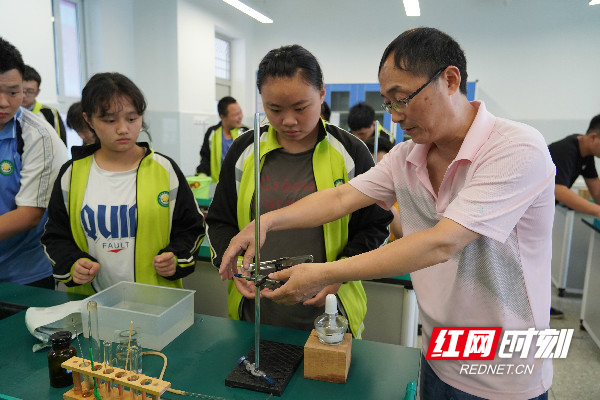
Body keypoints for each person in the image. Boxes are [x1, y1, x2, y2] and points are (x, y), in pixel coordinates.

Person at [220, 28, 555, 400]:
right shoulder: (406, 156)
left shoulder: (515, 148)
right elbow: (340, 198)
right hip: (438, 354)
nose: (395, 117)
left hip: (505, 370)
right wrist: (266, 222)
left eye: (402, 99)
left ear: (449, 79)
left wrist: (324, 273)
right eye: (388, 103)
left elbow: (442, 243)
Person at [206, 45, 393, 337]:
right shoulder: (245, 150)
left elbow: (376, 226)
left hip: (330, 311)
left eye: (300, 108)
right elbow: (220, 220)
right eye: (274, 109)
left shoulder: (350, 153)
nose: (288, 121)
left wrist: (338, 275)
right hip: (255, 311)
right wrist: (230, 265)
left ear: (321, 94)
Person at [41, 72, 205, 295]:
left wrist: (176, 257)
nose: (123, 129)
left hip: (156, 304)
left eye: (132, 118)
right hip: (91, 309)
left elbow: (191, 227)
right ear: (88, 120)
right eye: (109, 120)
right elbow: (55, 235)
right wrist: (72, 263)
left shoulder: (164, 170)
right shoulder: (72, 174)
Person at [0, 37, 68, 288]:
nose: (4, 102)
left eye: (13, 92)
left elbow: (28, 215)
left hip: (23, 275)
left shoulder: (37, 136)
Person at [547, 115, 600, 319]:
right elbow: (558, 190)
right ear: (594, 137)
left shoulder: (586, 156)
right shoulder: (566, 149)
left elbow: (596, 192)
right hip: (523, 217)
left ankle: (537, 306)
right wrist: (596, 211)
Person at [195, 96, 247, 182]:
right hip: (217, 185)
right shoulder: (212, 133)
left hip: (239, 184)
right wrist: (202, 174)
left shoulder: (246, 133)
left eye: (240, 112)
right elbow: (205, 157)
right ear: (222, 116)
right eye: (235, 115)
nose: (240, 117)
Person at [364, 135, 402, 241]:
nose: (376, 173)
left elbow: (402, 235)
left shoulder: (403, 194)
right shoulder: (359, 195)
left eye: (381, 167)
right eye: (371, 167)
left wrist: (386, 205)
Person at [21, 65, 67, 145]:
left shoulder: (49, 113)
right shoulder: (8, 112)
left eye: (30, 91)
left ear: (37, 92)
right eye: (21, 90)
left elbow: (60, 143)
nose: (24, 95)